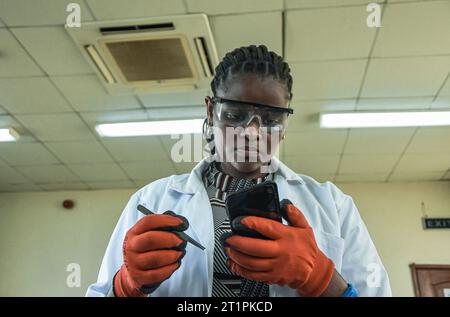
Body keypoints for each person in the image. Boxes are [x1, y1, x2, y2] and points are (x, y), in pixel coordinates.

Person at [86, 45, 391, 297]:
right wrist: (124, 287)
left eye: (270, 119)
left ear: (286, 123)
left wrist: (324, 280)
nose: (252, 133)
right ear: (210, 111)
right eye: (235, 115)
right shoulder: (152, 199)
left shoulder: (332, 205)